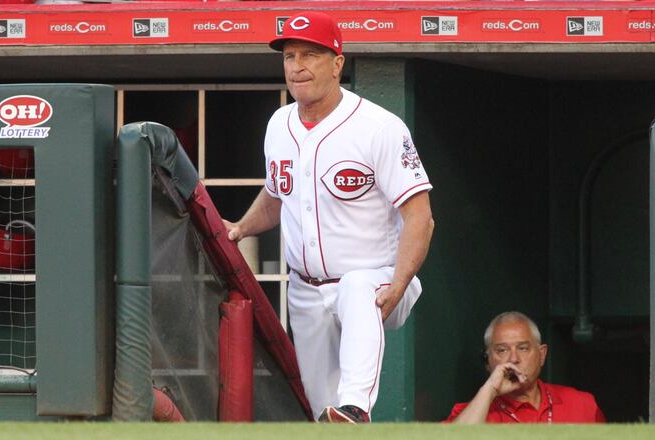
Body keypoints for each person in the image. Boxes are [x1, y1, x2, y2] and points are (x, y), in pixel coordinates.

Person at [222, 11, 434, 423]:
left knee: (357, 287)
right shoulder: (279, 124)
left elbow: (420, 217)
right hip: (307, 289)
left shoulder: (379, 127)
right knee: (324, 414)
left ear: (337, 63)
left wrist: (399, 283)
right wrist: (242, 227)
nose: (297, 66)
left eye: (310, 55)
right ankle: (344, 416)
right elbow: (277, 193)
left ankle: (357, 404)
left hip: (377, 277)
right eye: (290, 56)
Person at [445, 311, 605, 423]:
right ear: (488, 361)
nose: (513, 359)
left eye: (523, 348)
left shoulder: (581, 404)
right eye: (502, 350)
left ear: (541, 355)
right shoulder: (471, 411)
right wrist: (490, 389)